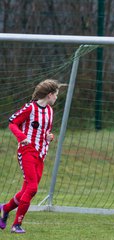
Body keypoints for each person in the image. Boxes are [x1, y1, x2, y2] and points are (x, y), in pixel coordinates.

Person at [0, 79, 64, 234]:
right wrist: (22, 137)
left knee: (26, 190)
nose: (56, 98)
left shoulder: (50, 111)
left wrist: (49, 137)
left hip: (41, 153)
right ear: (49, 95)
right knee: (33, 188)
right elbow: (12, 123)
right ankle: (16, 225)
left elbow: (45, 131)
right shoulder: (30, 108)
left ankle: (5, 209)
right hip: (27, 151)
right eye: (56, 95)